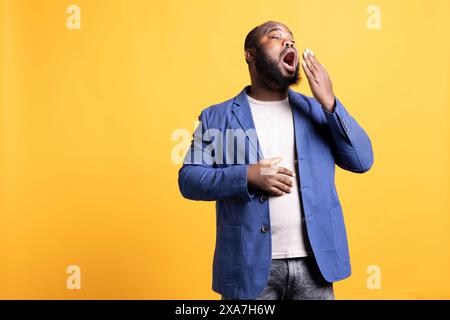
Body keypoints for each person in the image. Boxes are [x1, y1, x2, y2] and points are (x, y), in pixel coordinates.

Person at [178, 20, 374, 300]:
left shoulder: (317, 111)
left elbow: (362, 160)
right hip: (247, 267)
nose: (289, 43)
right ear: (250, 54)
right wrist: (247, 176)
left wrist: (330, 102)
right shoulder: (218, 117)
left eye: (292, 39)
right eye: (276, 37)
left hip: (315, 265)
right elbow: (189, 180)